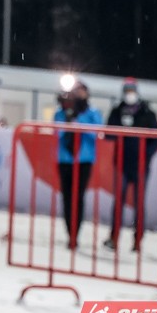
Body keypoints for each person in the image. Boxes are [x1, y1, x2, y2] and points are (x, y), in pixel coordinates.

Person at [104, 77, 157, 252]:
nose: (130, 94)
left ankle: (137, 241)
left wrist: (145, 155)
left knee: (139, 204)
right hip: (121, 163)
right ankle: (114, 238)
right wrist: (120, 126)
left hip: (141, 166)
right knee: (118, 202)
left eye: (132, 91)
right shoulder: (117, 111)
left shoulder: (147, 112)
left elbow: (156, 140)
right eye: (127, 91)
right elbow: (108, 134)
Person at [53, 79, 103, 249]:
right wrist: (68, 122)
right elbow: (57, 132)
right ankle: (70, 234)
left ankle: (76, 233)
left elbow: (97, 132)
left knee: (78, 197)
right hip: (65, 160)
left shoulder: (92, 112)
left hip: (83, 160)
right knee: (66, 198)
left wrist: (79, 124)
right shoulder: (61, 112)